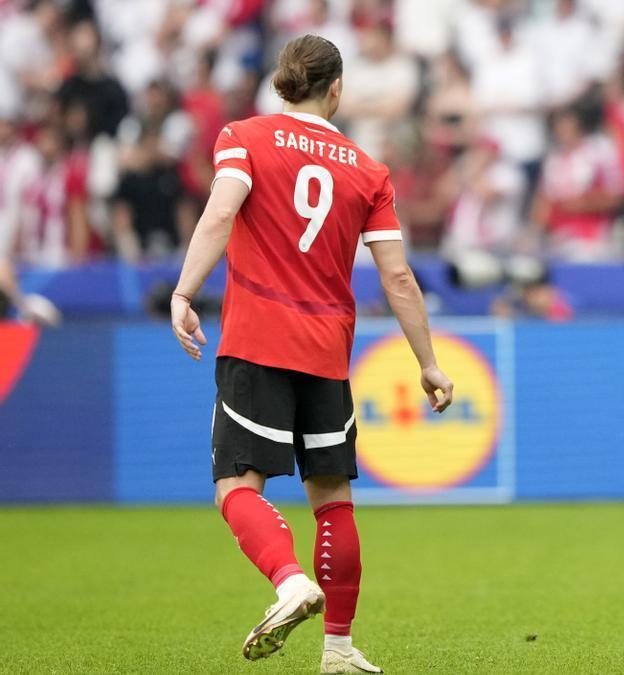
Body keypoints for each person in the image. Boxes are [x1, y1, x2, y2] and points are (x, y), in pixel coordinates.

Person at [169, 35, 453, 674]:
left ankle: (290, 580)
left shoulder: (243, 137)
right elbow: (398, 277)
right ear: (336, 90)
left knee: (235, 485)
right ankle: (340, 650)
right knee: (332, 497)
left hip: (258, 342)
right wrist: (428, 362)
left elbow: (219, 216)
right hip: (328, 351)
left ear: (280, 85)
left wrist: (185, 292)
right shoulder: (367, 169)